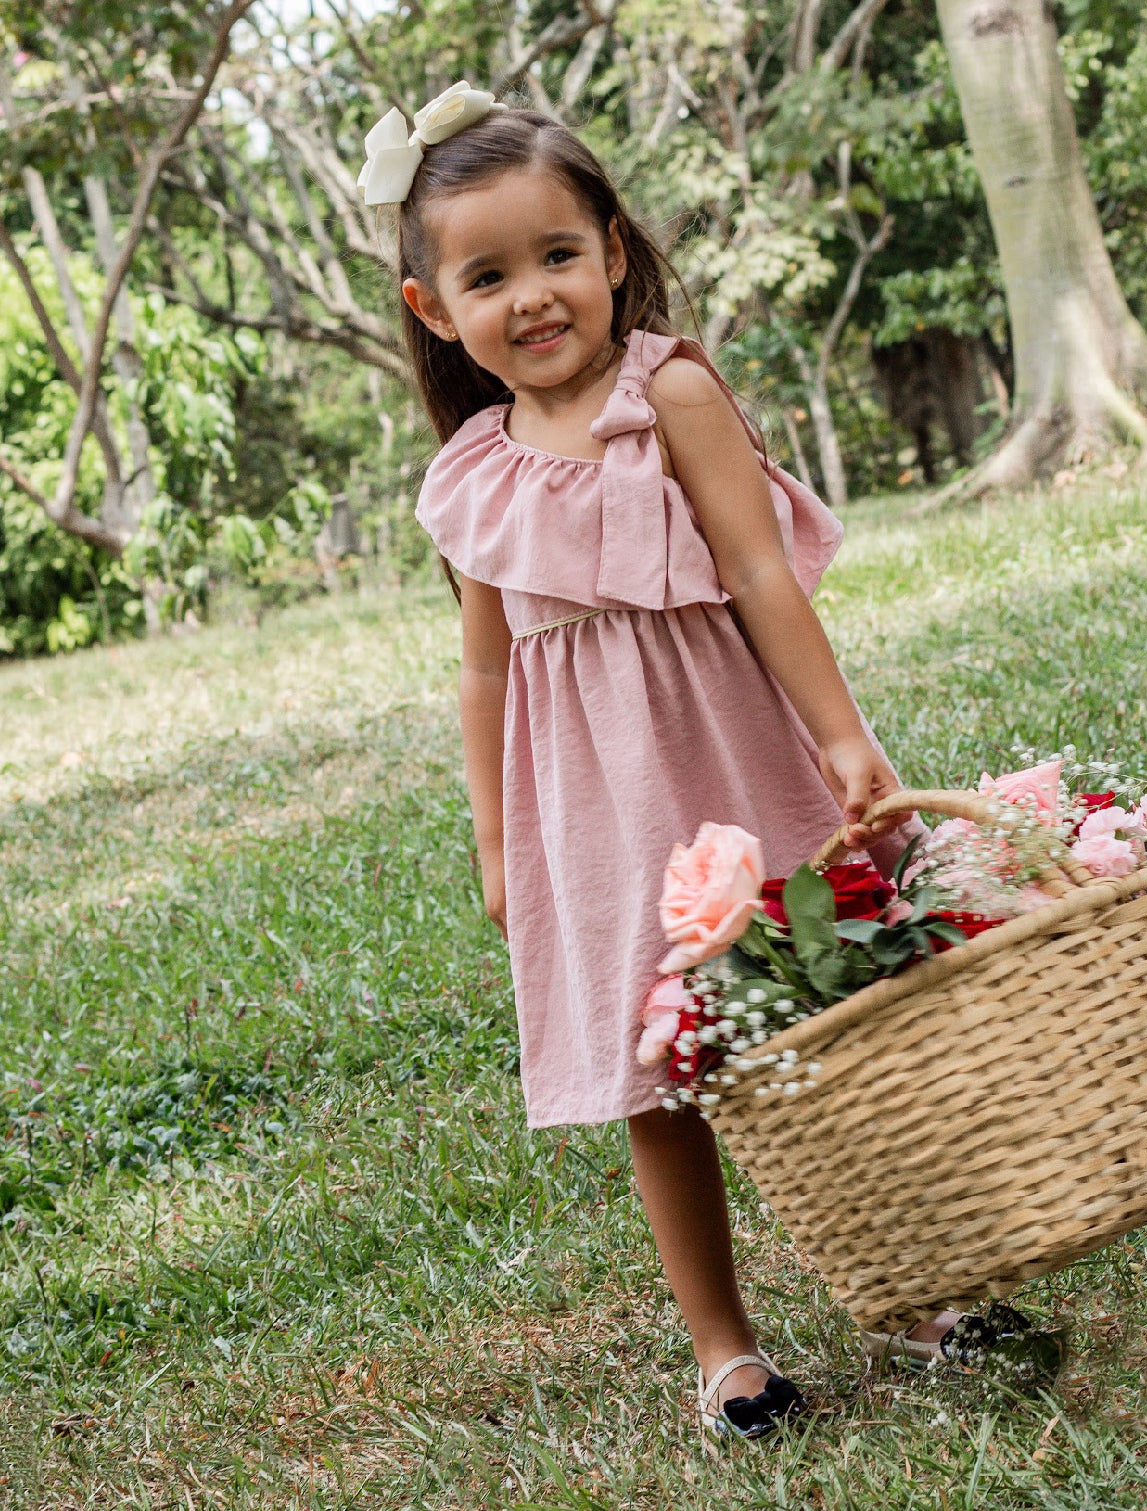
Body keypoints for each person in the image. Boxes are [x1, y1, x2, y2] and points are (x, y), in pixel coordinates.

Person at [358, 83, 947, 1440]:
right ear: (435, 311)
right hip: (599, 808)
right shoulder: (472, 472)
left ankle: (911, 1287)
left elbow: (754, 569)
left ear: (614, 251)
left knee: (816, 1024)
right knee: (659, 1071)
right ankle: (723, 1348)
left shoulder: (666, 389)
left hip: (734, 757)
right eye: (488, 275)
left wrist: (842, 736)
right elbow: (487, 667)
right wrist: (500, 843)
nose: (535, 295)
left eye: (558, 255)